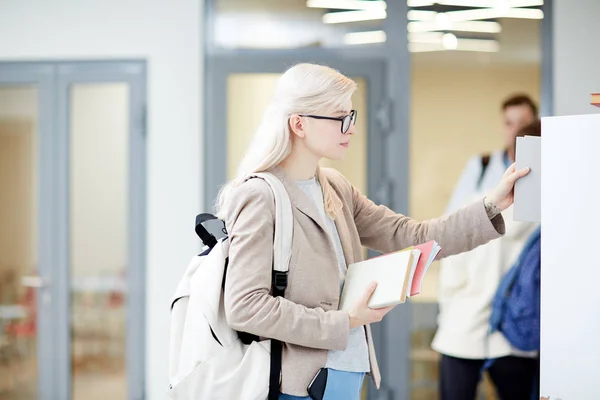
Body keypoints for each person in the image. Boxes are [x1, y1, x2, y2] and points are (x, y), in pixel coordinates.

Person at [215, 63, 529, 400]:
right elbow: (246, 306)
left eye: (352, 116)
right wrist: (343, 320)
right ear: (299, 124)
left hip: (345, 374)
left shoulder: (334, 186)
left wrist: (492, 204)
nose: (351, 128)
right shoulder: (259, 194)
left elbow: (412, 235)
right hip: (295, 386)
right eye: (340, 118)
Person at [432, 97, 541, 400]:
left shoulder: (476, 207)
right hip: (514, 338)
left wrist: (451, 310)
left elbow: (451, 268)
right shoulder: (547, 221)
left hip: (462, 329)